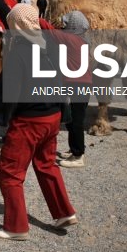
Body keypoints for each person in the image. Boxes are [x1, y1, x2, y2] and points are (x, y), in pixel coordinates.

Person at [0, 4, 77, 240]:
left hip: (30, 122)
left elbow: (9, 89)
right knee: (47, 165)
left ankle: (16, 227)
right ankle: (63, 212)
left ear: (18, 24)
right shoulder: (52, 46)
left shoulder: (20, 52)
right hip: (52, 118)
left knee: (10, 171)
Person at [44, 11, 92, 169]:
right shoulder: (82, 40)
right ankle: (74, 149)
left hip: (78, 85)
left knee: (77, 120)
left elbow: (47, 28)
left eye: (66, 23)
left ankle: (78, 156)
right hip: (82, 84)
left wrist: (31, 15)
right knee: (72, 119)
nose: (63, 26)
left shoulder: (69, 39)